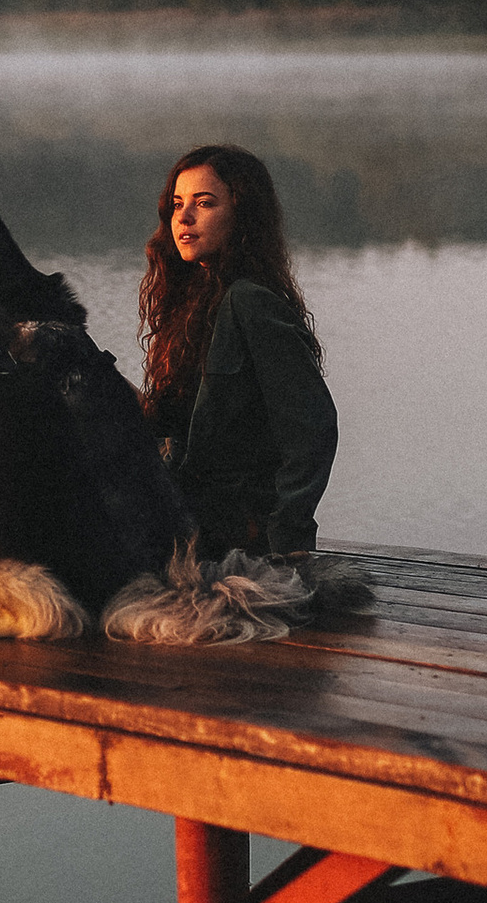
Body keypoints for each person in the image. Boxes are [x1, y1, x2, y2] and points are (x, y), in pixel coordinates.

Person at [138, 145, 338, 586]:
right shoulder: (188, 306)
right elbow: (187, 426)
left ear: (242, 215)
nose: (183, 218)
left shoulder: (250, 301)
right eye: (177, 204)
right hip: (188, 513)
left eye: (204, 203)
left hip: (238, 535)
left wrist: (289, 537)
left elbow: (312, 427)